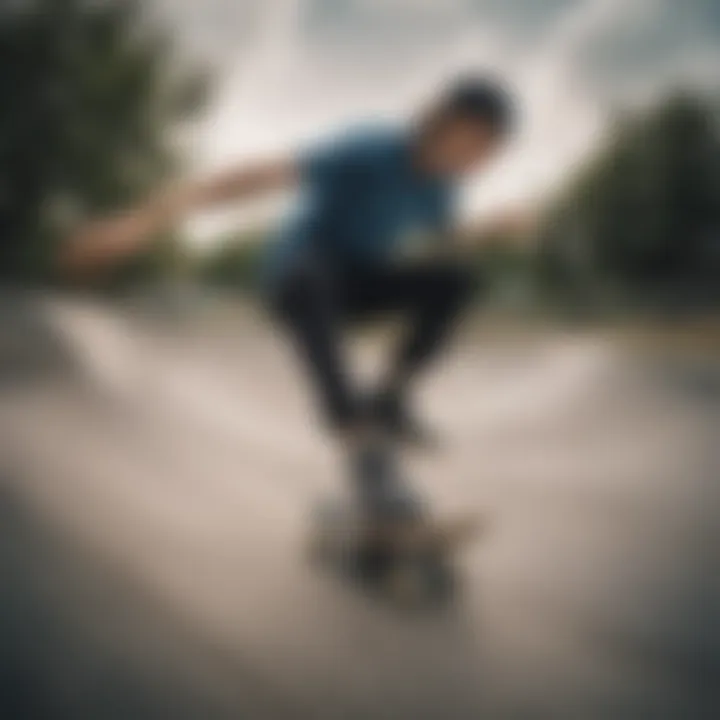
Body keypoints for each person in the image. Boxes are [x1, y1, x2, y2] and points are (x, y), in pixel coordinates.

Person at [63, 76, 516, 516]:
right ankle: (356, 435)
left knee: (454, 276)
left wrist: (485, 229)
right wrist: (136, 224)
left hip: (359, 285)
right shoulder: (370, 149)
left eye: (487, 152)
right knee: (315, 272)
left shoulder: (444, 191)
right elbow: (253, 178)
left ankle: (388, 404)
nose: (476, 160)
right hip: (297, 278)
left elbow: (434, 246)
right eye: (473, 142)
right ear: (440, 122)